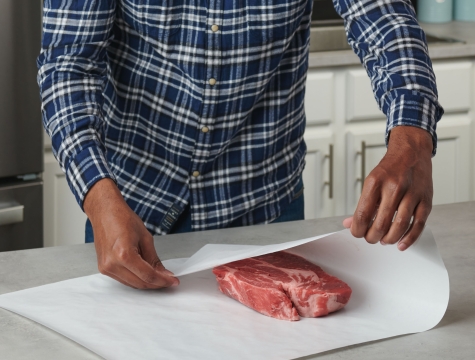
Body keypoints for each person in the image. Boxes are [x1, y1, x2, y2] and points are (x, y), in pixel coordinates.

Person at [38, 0, 443, 290]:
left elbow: (383, 18)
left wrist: (412, 137)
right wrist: (97, 196)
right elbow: (68, 66)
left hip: (265, 211)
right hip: (128, 211)